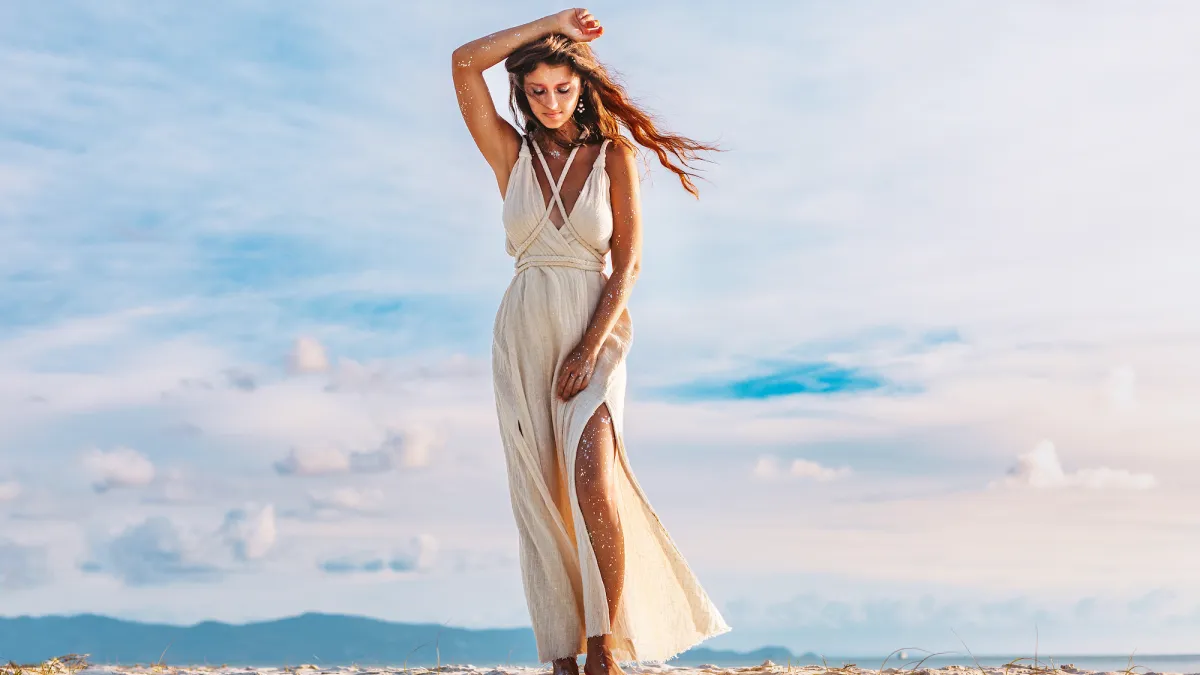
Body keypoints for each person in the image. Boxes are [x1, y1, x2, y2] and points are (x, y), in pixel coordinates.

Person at [451, 9, 731, 675]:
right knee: (538, 491)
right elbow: (464, 63)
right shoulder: (510, 154)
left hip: (594, 326)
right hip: (522, 327)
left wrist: (587, 349)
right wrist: (551, 24)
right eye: (537, 90)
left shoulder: (613, 156)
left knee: (592, 481)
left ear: (583, 88)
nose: (550, 102)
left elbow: (628, 262)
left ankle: (606, 645)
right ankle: (561, 656)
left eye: (563, 88)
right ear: (521, 94)